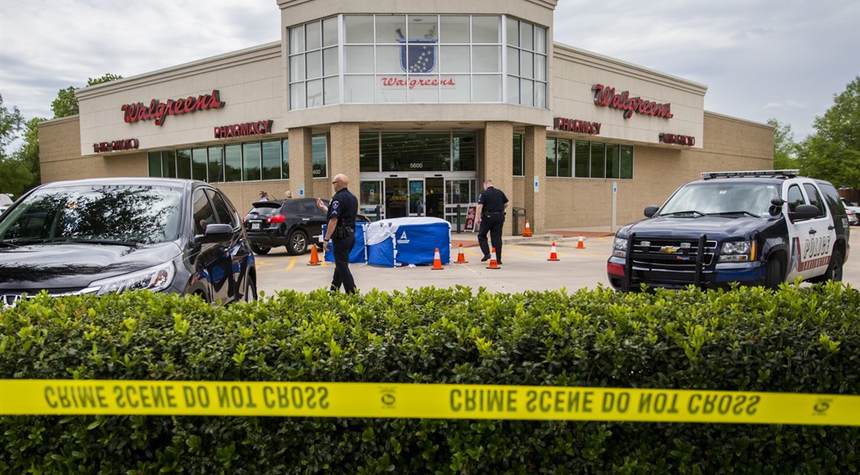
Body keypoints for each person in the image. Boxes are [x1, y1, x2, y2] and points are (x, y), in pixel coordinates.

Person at [316, 174, 359, 294]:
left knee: (342, 265)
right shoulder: (353, 198)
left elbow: (333, 220)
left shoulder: (337, 198)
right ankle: (333, 291)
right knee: (340, 264)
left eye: (334, 182)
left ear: (338, 183)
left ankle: (352, 293)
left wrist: (326, 239)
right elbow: (339, 215)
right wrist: (324, 208)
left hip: (341, 237)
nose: (333, 185)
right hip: (350, 236)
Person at [475, 179, 509, 265]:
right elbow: (506, 204)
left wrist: (477, 218)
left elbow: (479, 207)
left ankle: (487, 254)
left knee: (481, 235)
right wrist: (503, 210)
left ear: (485, 184)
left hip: (488, 217)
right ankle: (498, 259)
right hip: (499, 217)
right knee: (497, 238)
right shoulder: (500, 192)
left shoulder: (484, 193)